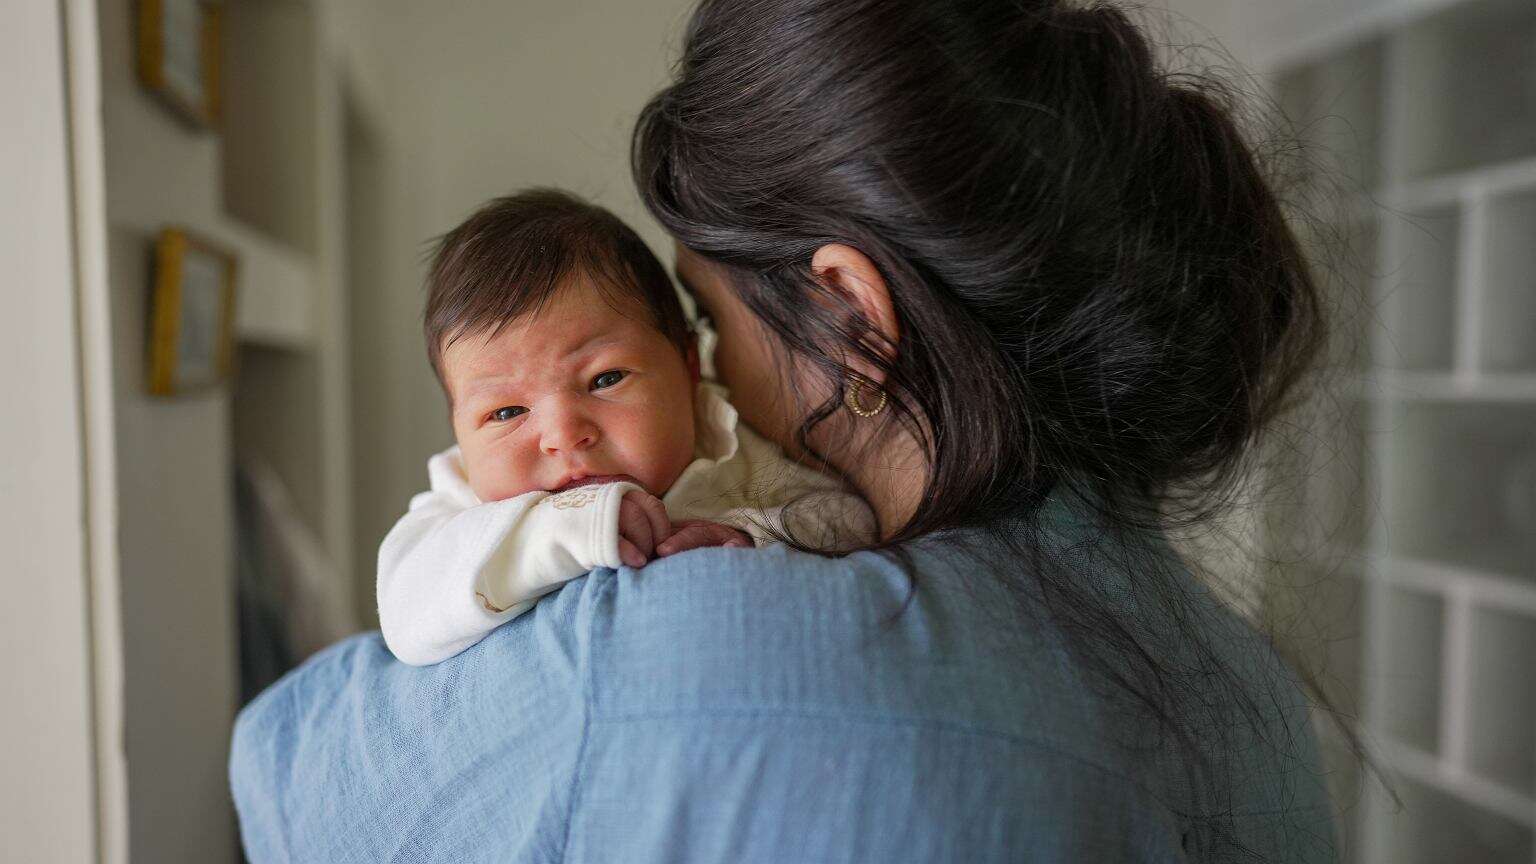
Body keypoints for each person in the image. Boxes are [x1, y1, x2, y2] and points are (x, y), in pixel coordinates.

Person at [229, 1, 1342, 861]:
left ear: (854, 318)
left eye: (706, 320)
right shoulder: (1260, 708)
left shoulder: (674, 641)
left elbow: (279, 771)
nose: (712, 369)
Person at [378, 189, 872, 666]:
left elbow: (848, 517)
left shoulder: (731, 441)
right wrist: (559, 533)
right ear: (459, 430)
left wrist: (754, 536)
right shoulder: (461, 500)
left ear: (687, 366)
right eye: (505, 413)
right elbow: (405, 615)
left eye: (605, 379)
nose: (563, 434)